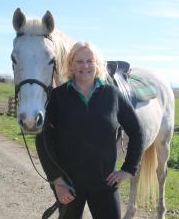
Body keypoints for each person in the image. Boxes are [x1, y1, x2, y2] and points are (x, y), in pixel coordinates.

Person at [36, 42, 144, 219]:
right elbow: (43, 139)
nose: (84, 66)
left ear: (97, 64)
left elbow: (137, 132)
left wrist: (128, 169)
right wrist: (56, 180)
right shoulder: (58, 96)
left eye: (89, 61)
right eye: (79, 61)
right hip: (69, 186)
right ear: (70, 64)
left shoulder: (112, 95)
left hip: (105, 185)